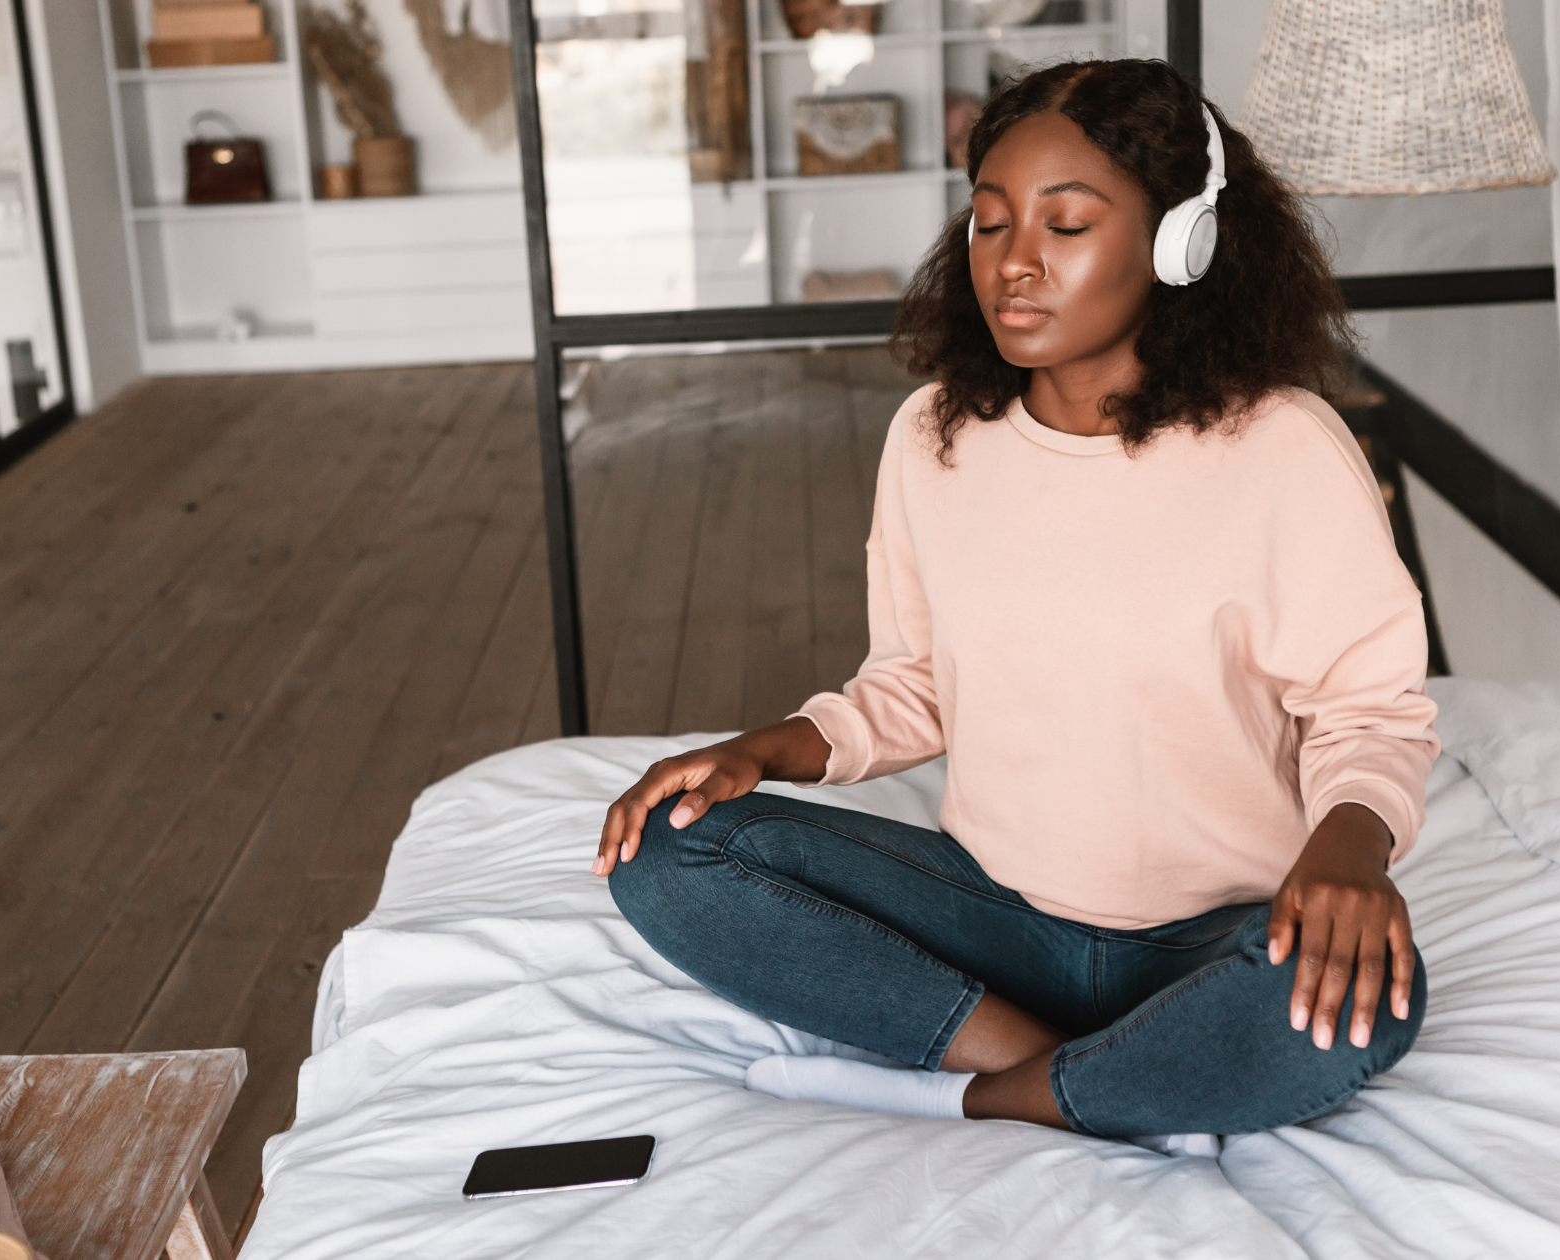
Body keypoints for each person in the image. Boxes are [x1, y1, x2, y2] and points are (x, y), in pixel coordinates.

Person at [596, 58, 1437, 1144]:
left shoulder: (1281, 448)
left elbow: (1367, 714)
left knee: (1367, 1003)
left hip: (1219, 933)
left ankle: (977, 1090)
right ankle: (1076, 1072)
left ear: (1180, 239)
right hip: (993, 919)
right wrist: (760, 752)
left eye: (1067, 224)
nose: (1015, 265)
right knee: (666, 849)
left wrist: (1346, 853)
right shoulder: (935, 434)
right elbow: (911, 687)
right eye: (988, 224)